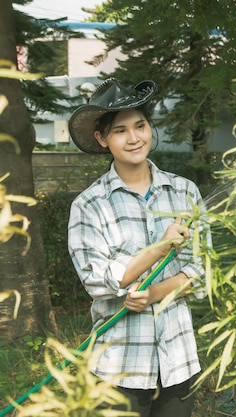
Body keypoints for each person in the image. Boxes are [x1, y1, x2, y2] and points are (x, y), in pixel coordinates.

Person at [67, 78, 207, 417]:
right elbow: (97, 280)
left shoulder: (183, 191)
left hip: (177, 360)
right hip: (118, 366)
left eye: (140, 125)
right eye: (120, 130)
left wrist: (154, 293)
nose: (134, 138)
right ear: (102, 138)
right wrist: (160, 248)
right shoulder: (89, 205)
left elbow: (201, 273)